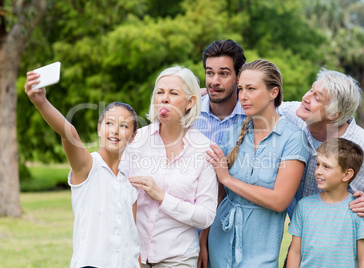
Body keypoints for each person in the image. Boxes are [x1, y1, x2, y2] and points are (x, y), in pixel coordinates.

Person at [278, 68, 364, 267]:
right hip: (307, 228)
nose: (306, 97)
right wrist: (206, 95)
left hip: (348, 235)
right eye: (311, 90)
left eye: (317, 97)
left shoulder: (362, 145)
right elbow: (257, 100)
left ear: (335, 114)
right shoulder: (292, 114)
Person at [24, 72, 141, 267]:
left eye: (124, 126)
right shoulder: (87, 166)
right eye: (109, 123)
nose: (115, 130)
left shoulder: (129, 185)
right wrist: (41, 103)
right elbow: (68, 132)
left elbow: (132, 236)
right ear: (99, 129)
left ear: (133, 135)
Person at [202, 59, 310, 267]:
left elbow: (279, 201)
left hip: (261, 250)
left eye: (251, 89)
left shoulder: (293, 138)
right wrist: (203, 239)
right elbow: (216, 195)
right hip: (219, 241)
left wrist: (227, 179)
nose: (243, 96)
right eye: (241, 88)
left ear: (273, 92)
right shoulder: (233, 134)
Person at [121, 66, 218, 267]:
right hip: (131, 255)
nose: (164, 98)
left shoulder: (204, 150)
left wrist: (162, 197)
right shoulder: (136, 141)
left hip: (178, 257)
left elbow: (206, 216)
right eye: (160, 92)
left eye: (173, 93)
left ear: (190, 102)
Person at [287, 138, 364, 268]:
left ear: (347, 174)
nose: (318, 171)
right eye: (318, 164)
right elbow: (295, 252)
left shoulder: (358, 209)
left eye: (326, 166)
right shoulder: (303, 206)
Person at [193, 39, 247, 144]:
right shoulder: (188, 112)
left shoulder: (255, 113)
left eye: (223, 74)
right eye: (210, 73)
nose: (214, 82)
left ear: (239, 76)